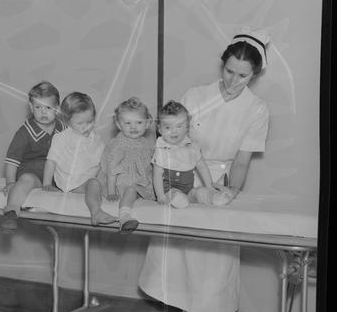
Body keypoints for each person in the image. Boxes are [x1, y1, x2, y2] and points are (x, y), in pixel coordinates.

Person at [139, 29, 270, 312]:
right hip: (181, 181)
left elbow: (241, 161)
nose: (233, 80)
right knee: (184, 274)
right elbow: (170, 139)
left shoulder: (256, 109)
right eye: (229, 70)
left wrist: (228, 193)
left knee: (212, 277)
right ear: (222, 64)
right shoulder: (195, 96)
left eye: (242, 75)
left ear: (254, 75)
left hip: (219, 186)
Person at [42, 92, 117, 226]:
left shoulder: (96, 140)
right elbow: (51, 161)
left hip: (85, 182)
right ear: (67, 120)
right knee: (94, 183)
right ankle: (96, 212)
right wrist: (47, 183)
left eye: (90, 121)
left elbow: (101, 164)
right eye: (80, 123)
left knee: (103, 182)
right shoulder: (62, 138)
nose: (86, 126)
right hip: (69, 183)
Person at [0, 81, 65, 232]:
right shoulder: (25, 132)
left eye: (48, 108)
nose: (43, 112)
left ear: (58, 109)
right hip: (33, 173)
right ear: (31, 108)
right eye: (38, 107)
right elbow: (12, 160)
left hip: (55, 176)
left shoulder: (62, 128)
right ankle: (11, 211)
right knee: (26, 180)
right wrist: (10, 182)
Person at [152, 100, 236, 208]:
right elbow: (157, 175)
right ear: (160, 129)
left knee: (200, 192)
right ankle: (178, 200)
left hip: (189, 189)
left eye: (179, 126)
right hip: (169, 190)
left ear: (187, 127)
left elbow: (202, 167)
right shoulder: (162, 149)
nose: (174, 131)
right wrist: (160, 196)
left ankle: (214, 198)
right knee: (175, 194)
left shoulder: (191, 147)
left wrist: (209, 186)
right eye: (168, 127)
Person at [97, 97, 155, 232]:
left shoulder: (146, 144)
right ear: (118, 124)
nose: (133, 127)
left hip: (140, 182)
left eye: (139, 122)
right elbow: (112, 170)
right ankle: (124, 216)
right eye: (128, 123)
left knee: (140, 189)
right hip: (120, 184)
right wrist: (111, 192)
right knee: (131, 190)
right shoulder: (118, 145)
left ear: (147, 123)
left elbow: (149, 168)